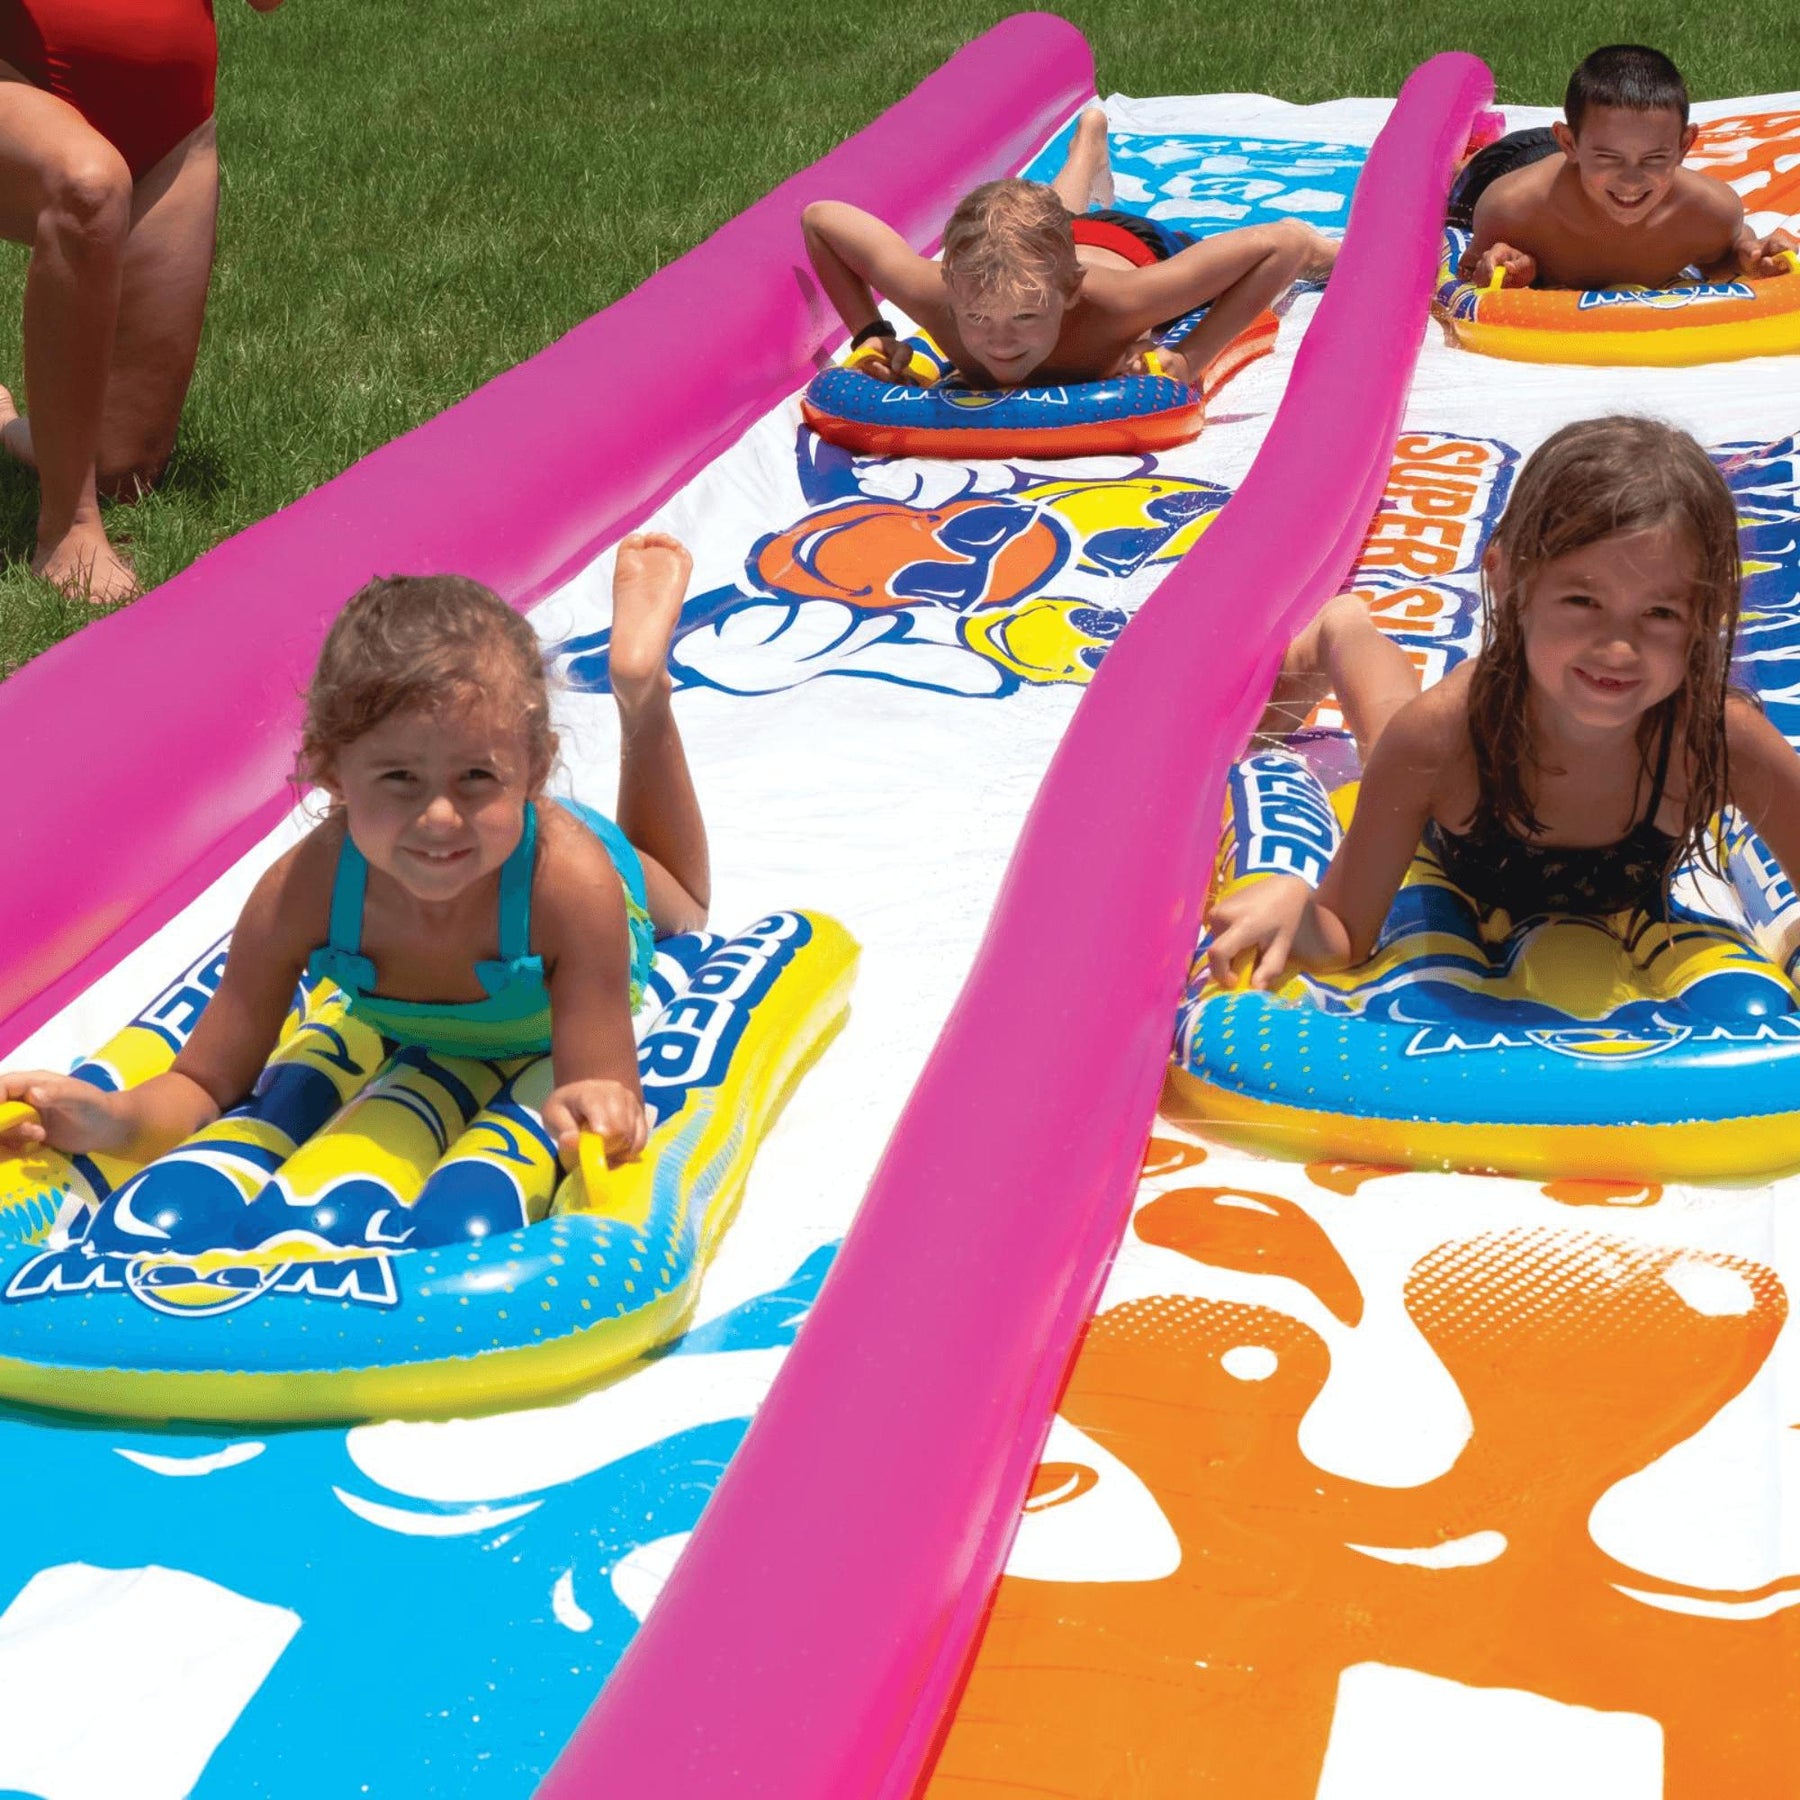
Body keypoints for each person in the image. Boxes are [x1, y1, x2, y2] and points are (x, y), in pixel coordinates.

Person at [0, 532, 709, 1167]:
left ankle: (640, 693)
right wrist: (107, 1119)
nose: (439, 817)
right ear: (332, 773)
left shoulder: (572, 886)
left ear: (535, 769)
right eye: (399, 779)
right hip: (502, 837)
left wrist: (598, 1108)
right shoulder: (305, 890)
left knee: (685, 904)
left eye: (475, 777)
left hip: (561, 865)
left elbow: (600, 1079)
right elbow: (203, 1081)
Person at [1206, 416, 1800, 991]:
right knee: (1386, 721)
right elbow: (1344, 930)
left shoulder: (1721, 740)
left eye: (1661, 613)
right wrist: (1297, 910)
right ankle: (1344, 629)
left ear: (1709, 614)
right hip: (1471, 765)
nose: (1619, 648)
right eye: (1583, 601)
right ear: (1506, 577)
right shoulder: (1440, 741)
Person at [0, 0, 287, 604]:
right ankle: (67, 531)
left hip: (174, 124)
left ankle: (8, 427)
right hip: (16, 76)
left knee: (119, 472)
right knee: (88, 185)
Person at [802, 105, 1335, 392]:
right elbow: (821, 219)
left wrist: (1192, 358)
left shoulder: (1124, 302)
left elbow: (1280, 244)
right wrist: (871, 335)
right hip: (1049, 250)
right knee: (1047, 225)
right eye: (978, 317)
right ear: (950, 286)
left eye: (1026, 317)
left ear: (1072, 293)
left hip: (1131, 245)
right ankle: (1088, 145)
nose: (1000, 341)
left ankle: (1343, 252)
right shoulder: (937, 296)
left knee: (1309, 254)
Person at [1451, 44, 1798, 291]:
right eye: (1610, 158)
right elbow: (1465, 276)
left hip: (1586, 147)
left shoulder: (1711, 212)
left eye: (1654, 158)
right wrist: (1503, 265)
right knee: (1454, 184)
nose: (1631, 181)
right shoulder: (1511, 207)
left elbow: (1726, 256)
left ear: (1684, 145)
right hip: (1514, 161)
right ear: (1568, 143)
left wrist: (1750, 257)